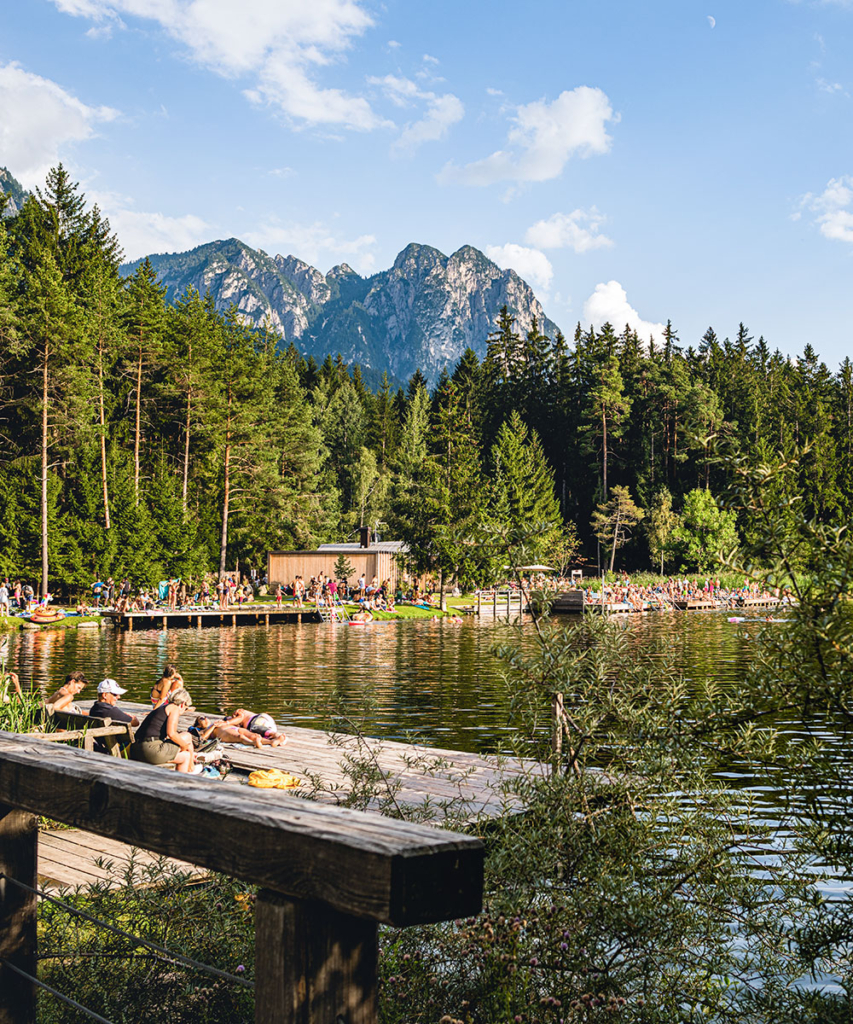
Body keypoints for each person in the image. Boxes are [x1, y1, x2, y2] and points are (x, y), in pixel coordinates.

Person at [130, 687, 195, 771]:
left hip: (136, 749)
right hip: (149, 750)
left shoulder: (162, 708)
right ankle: (185, 777)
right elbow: (171, 734)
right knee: (186, 751)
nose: (184, 711)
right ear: (182, 704)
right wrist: (184, 746)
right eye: (186, 708)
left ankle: (191, 767)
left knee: (187, 742)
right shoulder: (174, 708)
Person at [191, 713, 281, 749]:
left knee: (254, 735)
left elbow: (238, 719)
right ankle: (253, 743)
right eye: (202, 718)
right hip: (224, 733)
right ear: (198, 725)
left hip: (234, 728)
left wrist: (229, 721)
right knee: (240, 737)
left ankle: (272, 741)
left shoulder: (219, 721)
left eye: (205, 717)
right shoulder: (204, 730)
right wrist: (213, 726)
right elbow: (203, 738)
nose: (205, 718)